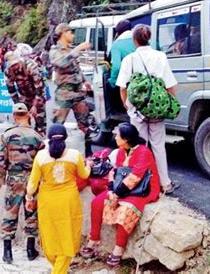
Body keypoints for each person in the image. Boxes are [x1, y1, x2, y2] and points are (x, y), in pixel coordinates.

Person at [82, 123, 160, 266]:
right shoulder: (121, 150)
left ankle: (118, 249)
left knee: (125, 211)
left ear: (125, 139)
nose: (115, 137)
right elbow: (114, 172)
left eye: (117, 135)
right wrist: (111, 190)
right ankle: (94, 239)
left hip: (141, 189)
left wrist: (116, 194)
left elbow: (135, 177)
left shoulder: (143, 151)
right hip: (121, 188)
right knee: (97, 202)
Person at [116, 24, 179, 194]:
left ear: (134, 40)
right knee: (159, 145)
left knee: (139, 148)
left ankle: (141, 183)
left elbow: (122, 86)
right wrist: (172, 103)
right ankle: (165, 184)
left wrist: (127, 104)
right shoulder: (161, 56)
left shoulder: (130, 59)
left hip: (137, 110)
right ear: (149, 38)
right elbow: (171, 85)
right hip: (157, 109)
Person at [25, 124, 92, 274]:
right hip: (69, 201)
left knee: (49, 235)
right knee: (68, 235)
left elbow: (32, 184)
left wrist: (29, 198)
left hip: (47, 201)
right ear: (66, 138)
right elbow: (84, 175)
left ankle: (57, 267)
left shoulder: (41, 156)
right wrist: (89, 165)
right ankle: (59, 270)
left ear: (48, 139)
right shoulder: (75, 155)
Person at [0, 103, 45, 264]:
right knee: (32, 213)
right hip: (32, 180)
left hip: (14, 180)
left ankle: (7, 252)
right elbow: (42, 161)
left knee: (10, 213)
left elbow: (2, 161)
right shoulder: (37, 137)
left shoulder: (7, 135)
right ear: (28, 116)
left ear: (15, 117)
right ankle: (30, 250)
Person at [49, 23, 93, 156]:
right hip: (64, 92)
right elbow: (62, 63)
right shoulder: (55, 50)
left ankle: (88, 153)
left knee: (85, 123)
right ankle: (54, 152)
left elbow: (76, 68)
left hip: (78, 92)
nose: (73, 35)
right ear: (63, 33)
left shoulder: (70, 50)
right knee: (57, 125)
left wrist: (85, 81)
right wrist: (78, 49)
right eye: (71, 32)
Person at [4, 48, 47, 137]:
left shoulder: (31, 67)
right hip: (24, 95)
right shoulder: (9, 72)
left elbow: (39, 89)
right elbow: (11, 90)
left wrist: (35, 106)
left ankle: (40, 139)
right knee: (22, 121)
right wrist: (18, 105)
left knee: (40, 121)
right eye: (12, 65)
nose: (15, 66)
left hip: (37, 95)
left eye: (16, 63)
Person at [105, 20, 135, 120]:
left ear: (117, 33)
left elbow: (116, 67)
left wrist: (112, 82)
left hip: (129, 81)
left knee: (108, 85)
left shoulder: (117, 45)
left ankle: (114, 113)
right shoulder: (144, 39)